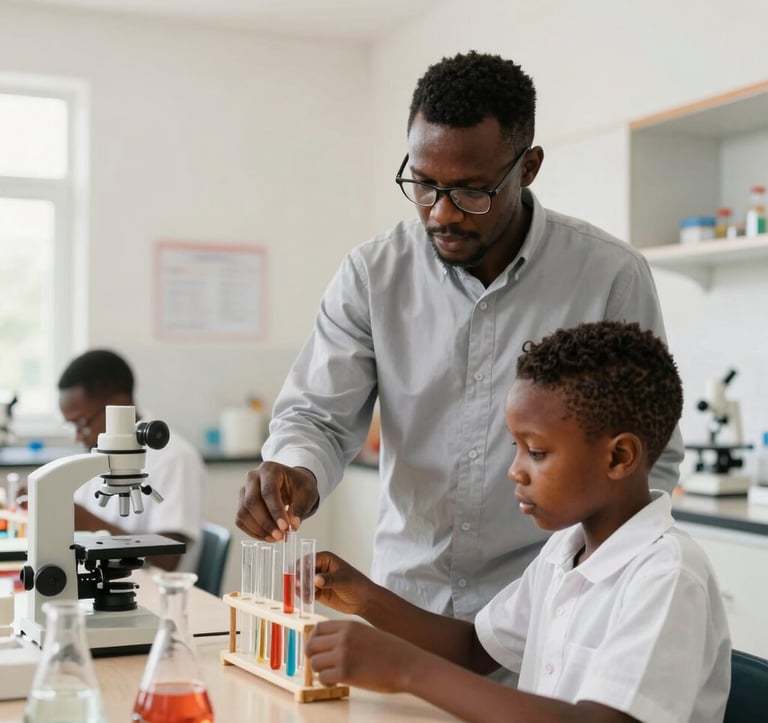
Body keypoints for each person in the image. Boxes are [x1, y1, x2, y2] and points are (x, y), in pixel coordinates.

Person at [237, 51, 685, 623]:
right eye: (423, 185)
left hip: (557, 611)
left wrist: (586, 580)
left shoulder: (607, 275)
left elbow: (652, 457)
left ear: (527, 167)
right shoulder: (374, 273)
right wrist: (294, 472)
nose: (441, 214)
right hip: (408, 606)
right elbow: (317, 418)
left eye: (472, 191)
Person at [305, 321, 732, 723]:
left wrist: (407, 670)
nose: (515, 470)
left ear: (619, 457)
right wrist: (364, 598)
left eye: (537, 452)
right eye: (517, 447)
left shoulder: (667, 577)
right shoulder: (565, 553)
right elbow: (474, 648)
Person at [58, 349, 206, 572]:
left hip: (157, 592)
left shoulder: (175, 457)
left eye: (81, 423)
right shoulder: (97, 451)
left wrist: (86, 521)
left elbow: (167, 560)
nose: (79, 436)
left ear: (118, 404)